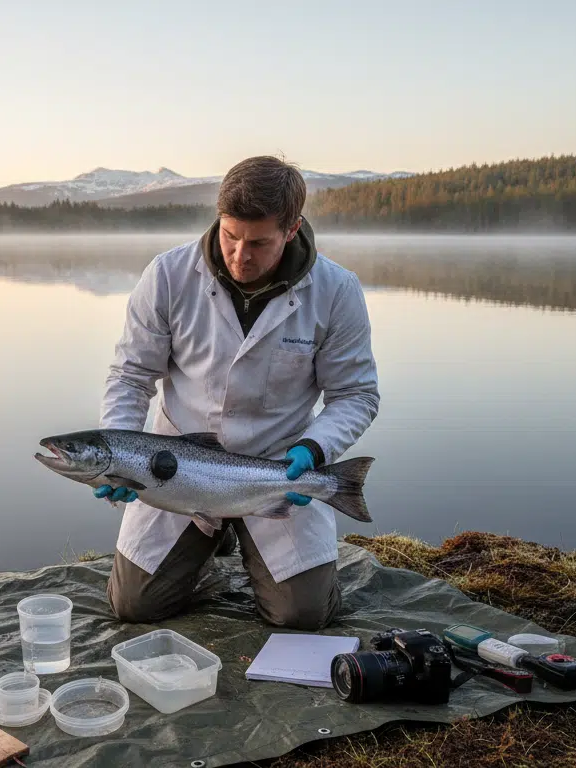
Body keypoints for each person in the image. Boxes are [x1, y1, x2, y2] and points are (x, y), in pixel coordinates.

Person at [99, 156, 379, 630]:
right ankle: (214, 544)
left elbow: (356, 394)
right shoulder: (168, 276)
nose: (239, 255)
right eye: (230, 236)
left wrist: (315, 448)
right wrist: (118, 450)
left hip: (276, 464)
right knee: (134, 607)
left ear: (292, 229)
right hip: (177, 466)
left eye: (258, 242)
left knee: (302, 616)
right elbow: (130, 377)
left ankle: (244, 537)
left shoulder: (335, 290)